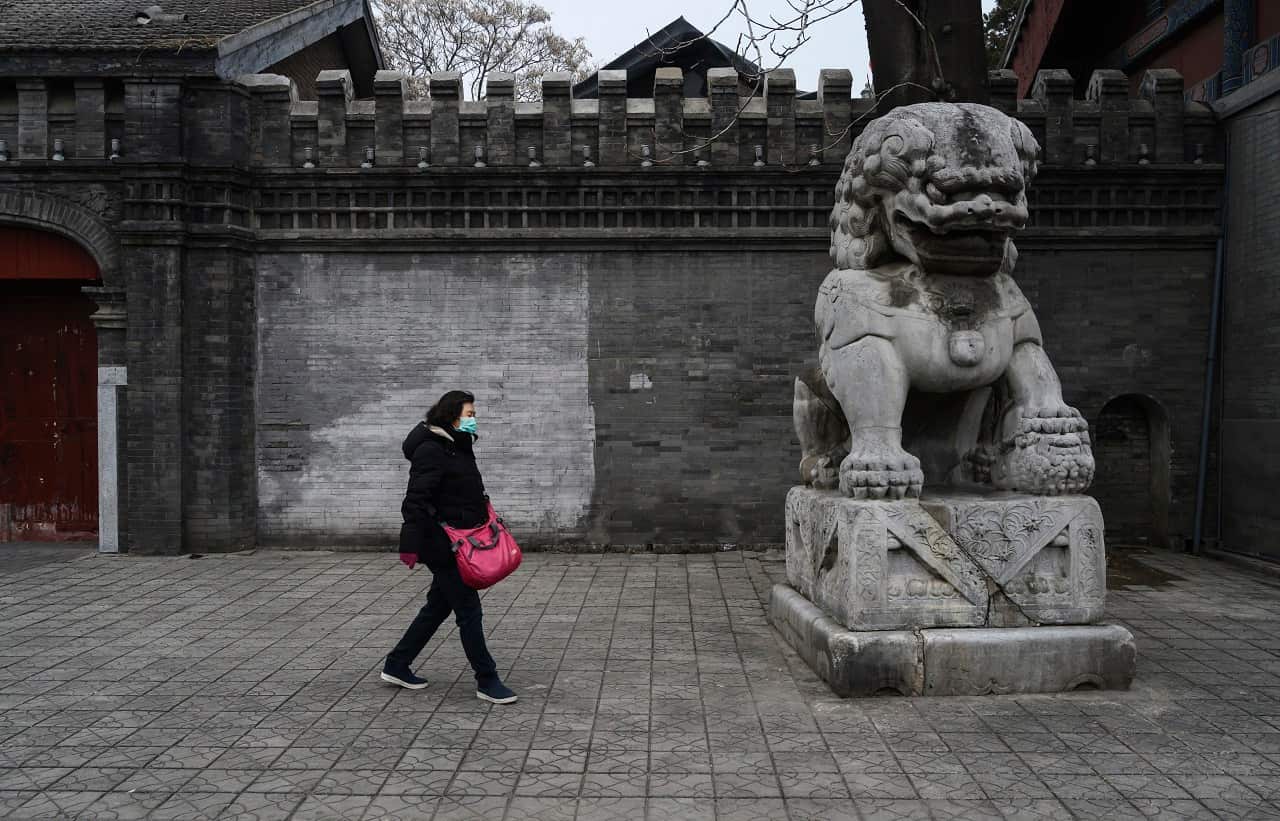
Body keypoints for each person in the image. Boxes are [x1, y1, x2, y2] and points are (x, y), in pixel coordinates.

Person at [381, 390, 518, 705]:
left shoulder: (458, 444)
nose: (473, 419)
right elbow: (415, 500)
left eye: (473, 414)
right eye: (469, 414)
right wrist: (411, 544)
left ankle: (397, 664)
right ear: (451, 415)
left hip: (463, 537)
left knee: (438, 606)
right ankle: (487, 679)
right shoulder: (431, 450)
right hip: (442, 544)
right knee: (469, 611)